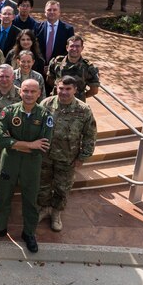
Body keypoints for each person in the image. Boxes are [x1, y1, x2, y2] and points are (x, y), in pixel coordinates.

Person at [0, 78, 50, 253]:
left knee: (30, 199)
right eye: (25, 91)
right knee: (3, 195)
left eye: (32, 91)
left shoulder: (44, 115)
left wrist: (18, 144)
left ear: (39, 93)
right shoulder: (8, 112)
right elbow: (3, 141)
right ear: (20, 92)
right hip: (10, 161)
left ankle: (29, 233)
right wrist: (30, 145)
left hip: (32, 164)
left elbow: (43, 145)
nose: (28, 94)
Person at [37, 76, 97, 232]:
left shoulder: (83, 110)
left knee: (62, 188)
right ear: (57, 87)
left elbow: (90, 134)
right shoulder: (46, 104)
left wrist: (83, 156)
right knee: (42, 185)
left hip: (67, 157)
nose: (64, 92)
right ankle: (44, 208)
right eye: (61, 88)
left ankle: (56, 213)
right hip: (45, 155)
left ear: (75, 90)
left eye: (68, 89)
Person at [46, 34, 99, 101]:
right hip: (57, 102)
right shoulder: (56, 62)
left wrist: (80, 97)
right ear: (67, 47)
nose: (74, 49)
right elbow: (49, 80)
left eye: (77, 46)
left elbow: (94, 90)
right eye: (72, 46)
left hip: (76, 106)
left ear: (82, 48)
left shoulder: (89, 67)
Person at [36, 0, 73, 67]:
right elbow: (35, 48)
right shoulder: (37, 27)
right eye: (49, 10)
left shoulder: (68, 30)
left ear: (59, 12)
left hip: (59, 68)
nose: (52, 12)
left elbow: (69, 50)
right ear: (45, 12)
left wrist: (55, 65)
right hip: (40, 67)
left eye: (55, 10)